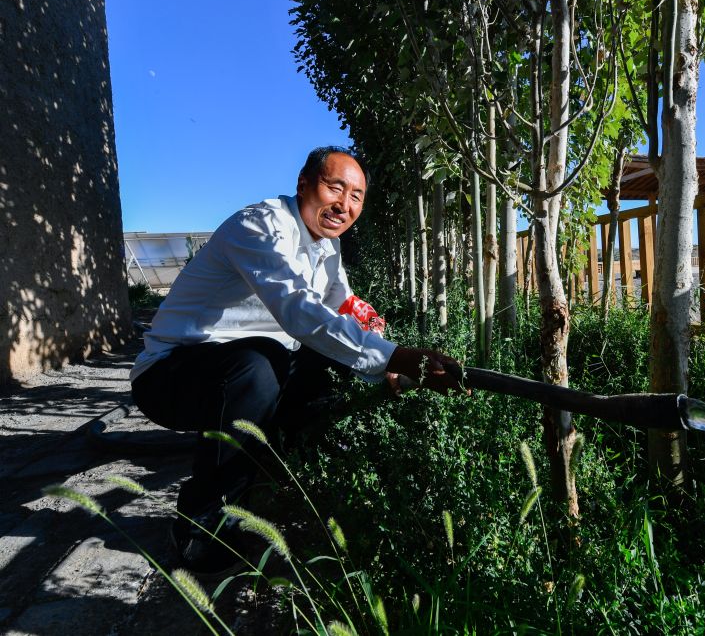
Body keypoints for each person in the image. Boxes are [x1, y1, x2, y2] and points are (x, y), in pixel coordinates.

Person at [130, 145, 463, 573]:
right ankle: (202, 520)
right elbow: (299, 310)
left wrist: (389, 363)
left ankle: (279, 468)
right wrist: (397, 357)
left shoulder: (327, 247)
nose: (344, 205)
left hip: (237, 371)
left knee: (330, 361)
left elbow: (343, 311)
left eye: (356, 196)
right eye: (335, 188)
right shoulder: (261, 226)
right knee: (260, 365)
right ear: (303, 184)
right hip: (171, 375)